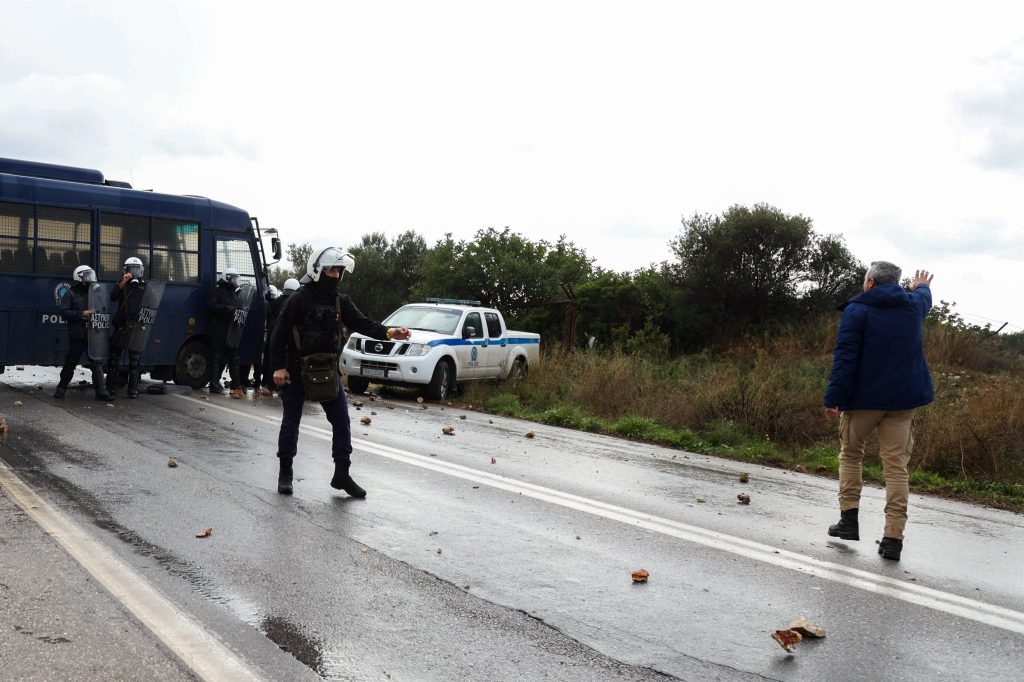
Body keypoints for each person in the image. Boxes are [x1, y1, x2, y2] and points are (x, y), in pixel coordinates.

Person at [270, 248, 410, 496]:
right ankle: (285, 473)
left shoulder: (340, 301)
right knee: (291, 421)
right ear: (317, 270)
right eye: (331, 270)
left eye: (338, 270)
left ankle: (342, 474)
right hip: (296, 368)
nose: (335, 275)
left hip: (327, 369)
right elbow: (278, 334)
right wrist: (279, 367)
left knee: (342, 421)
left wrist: (390, 333)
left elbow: (362, 322)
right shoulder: (298, 299)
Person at [823, 262, 934, 562]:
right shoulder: (912, 306)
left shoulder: (857, 310)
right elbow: (924, 299)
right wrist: (922, 285)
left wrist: (833, 398)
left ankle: (848, 521)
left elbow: (845, 357)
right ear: (896, 283)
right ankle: (893, 538)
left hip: (863, 400)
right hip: (902, 403)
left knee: (851, 454)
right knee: (896, 467)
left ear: (870, 283)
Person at [55, 265, 115, 401]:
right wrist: (82, 313)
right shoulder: (71, 293)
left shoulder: (96, 292)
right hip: (78, 333)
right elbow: (64, 312)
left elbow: (103, 307)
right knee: (71, 362)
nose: (90, 278)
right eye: (87, 276)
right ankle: (61, 389)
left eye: (90, 275)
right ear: (79, 277)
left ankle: (101, 392)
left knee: (97, 362)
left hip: (93, 332)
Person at [108, 256, 147, 399]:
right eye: (132, 269)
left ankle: (133, 390)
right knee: (113, 359)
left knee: (135, 361)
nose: (134, 272)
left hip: (136, 326)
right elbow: (112, 296)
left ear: (141, 271)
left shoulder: (145, 287)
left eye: (137, 270)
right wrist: (123, 282)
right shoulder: (122, 284)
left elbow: (150, 304)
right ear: (126, 270)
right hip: (121, 325)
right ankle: (110, 388)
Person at [207, 267, 244, 398]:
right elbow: (210, 307)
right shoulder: (216, 291)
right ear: (227, 278)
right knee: (217, 357)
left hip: (232, 330)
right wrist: (226, 309)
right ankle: (214, 384)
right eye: (233, 278)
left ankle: (236, 386)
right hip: (219, 329)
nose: (235, 281)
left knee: (234, 358)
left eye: (236, 278)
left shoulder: (235, 293)